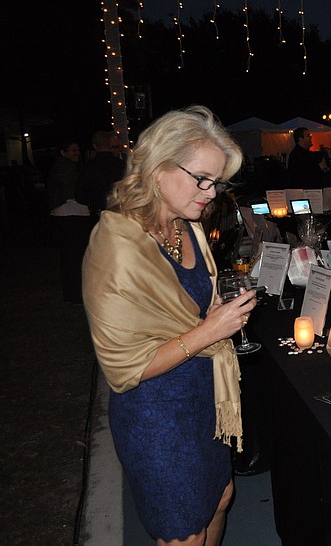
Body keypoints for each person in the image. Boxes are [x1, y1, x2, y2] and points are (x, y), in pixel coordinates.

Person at [82, 105, 254, 545]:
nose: (211, 193)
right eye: (202, 179)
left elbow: (189, 304)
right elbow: (125, 368)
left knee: (220, 498)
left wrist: (217, 311)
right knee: (183, 534)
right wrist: (211, 331)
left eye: (216, 181)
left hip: (203, 397)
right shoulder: (116, 247)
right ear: (158, 169)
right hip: (156, 415)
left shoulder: (184, 225)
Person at [47, 139, 90, 303]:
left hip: (64, 213)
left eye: (77, 150)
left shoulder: (61, 166)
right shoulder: (66, 167)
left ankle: (71, 293)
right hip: (71, 213)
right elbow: (72, 191)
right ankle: (76, 293)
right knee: (75, 256)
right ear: (63, 152)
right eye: (73, 150)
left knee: (68, 256)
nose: (77, 153)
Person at [77, 130, 125, 224]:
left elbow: (80, 196)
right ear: (109, 144)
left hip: (98, 213)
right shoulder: (122, 165)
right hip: (120, 211)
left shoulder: (87, 168)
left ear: (94, 146)